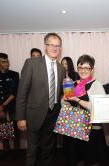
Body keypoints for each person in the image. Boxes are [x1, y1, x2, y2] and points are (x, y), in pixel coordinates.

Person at [16, 33, 66, 166]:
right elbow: (22, 92)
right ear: (45, 46)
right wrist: (20, 117)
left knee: (48, 149)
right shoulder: (31, 63)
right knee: (32, 150)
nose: (55, 48)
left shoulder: (61, 68)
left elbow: (60, 92)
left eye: (58, 46)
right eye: (51, 45)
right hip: (34, 115)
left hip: (53, 114)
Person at [63, 54, 108, 166]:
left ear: (92, 69)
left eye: (86, 68)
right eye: (80, 67)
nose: (83, 71)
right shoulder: (72, 84)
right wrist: (64, 99)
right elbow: (65, 106)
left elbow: (98, 107)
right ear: (77, 68)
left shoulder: (96, 85)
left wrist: (77, 100)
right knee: (77, 158)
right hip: (74, 125)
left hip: (92, 129)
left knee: (91, 158)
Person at [0, 53, 20, 152]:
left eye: (7, 61)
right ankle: (6, 150)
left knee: (15, 128)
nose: (6, 63)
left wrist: (3, 105)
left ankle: (16, 150)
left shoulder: (14, 74)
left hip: (12, 106)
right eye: (3, 61)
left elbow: (14, 92)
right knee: (2, 128)